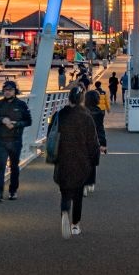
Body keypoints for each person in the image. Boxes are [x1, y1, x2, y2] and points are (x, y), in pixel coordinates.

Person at [48, 85, 99, 238]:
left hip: (63, 158)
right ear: (82, 100)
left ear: (69, 98)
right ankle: (75, 225)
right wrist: (94, 159)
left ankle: (64, 211)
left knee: (65, 191)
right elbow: (93, 142)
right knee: (77, 194)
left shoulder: (60, 114)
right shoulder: (86, 116)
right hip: (81, 160)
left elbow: (51, 133)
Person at [0, 80, 32, 201]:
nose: (7, 92)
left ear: (15, 91)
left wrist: (16, 124)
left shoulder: (21, 105)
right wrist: (2, 120)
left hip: (15, 140)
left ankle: (13, 191)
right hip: (1, 140)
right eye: (5, 90)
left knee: (14, 166)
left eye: (10, 90)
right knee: (0, 166)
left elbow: (28, 121)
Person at [84, 89, 107, 194]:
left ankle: (83, 185)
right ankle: (90, 183)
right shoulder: (99, 112)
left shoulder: (82, 111)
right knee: (92, 163)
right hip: (94, 141)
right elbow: (100, 129)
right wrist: (103, 143)